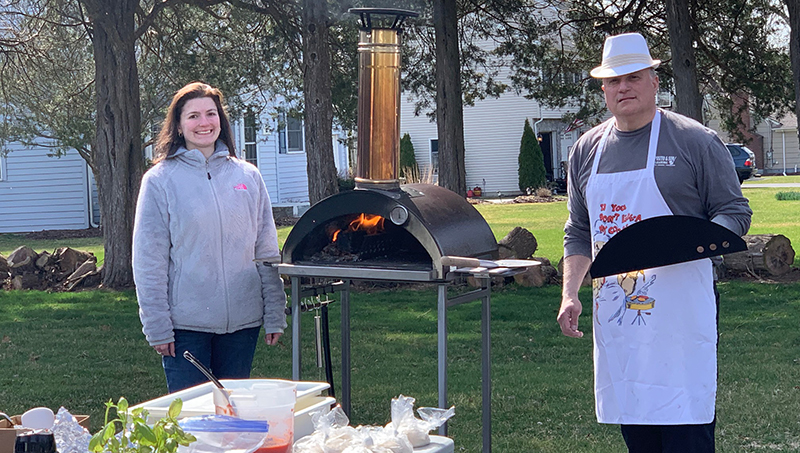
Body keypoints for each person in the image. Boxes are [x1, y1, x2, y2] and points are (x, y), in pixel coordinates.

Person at [558, 33, 752, 452]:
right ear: (604, 90)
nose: (623, 87)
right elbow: (578, 229)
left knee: (687, 429)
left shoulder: (695, 141)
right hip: (619, 318)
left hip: (681, 317)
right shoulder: (586, 150)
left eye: (633, 77)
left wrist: (697, 241)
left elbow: (735, 211)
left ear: (654, 81)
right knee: (637, 433)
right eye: (613, 81)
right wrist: (569, 293)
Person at [133, 82, 287, 393]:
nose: (203, 123)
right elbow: (148, 260)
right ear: (178, 124)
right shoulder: (160, 182)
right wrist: (157, 325)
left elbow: (267, 249)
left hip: (243, 326)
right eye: (193, 116)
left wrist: (274, 311)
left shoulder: (248, 176)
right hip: (186, 328)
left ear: (221, 120)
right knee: (193, 425)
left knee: (232, 419)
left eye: (210, 114)